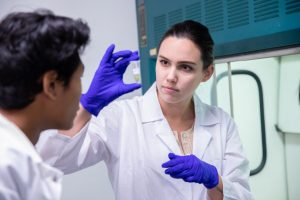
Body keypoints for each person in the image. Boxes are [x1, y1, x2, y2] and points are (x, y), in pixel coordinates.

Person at [37, 20, 252, 199]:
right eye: (164, 62)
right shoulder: (121, 117)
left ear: (207, 73)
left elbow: (242, 195)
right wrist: (87, 106)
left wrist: (215, 181)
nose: (170, 76)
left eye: (185, 67)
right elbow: (52, 161)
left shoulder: (222, 123)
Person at [0, 10, 139, 200]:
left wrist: (89, 106)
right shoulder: (6, 166)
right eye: (79, 78)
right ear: (51, 85)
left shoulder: (14, 149)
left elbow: (48, 154)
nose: (83, 92)